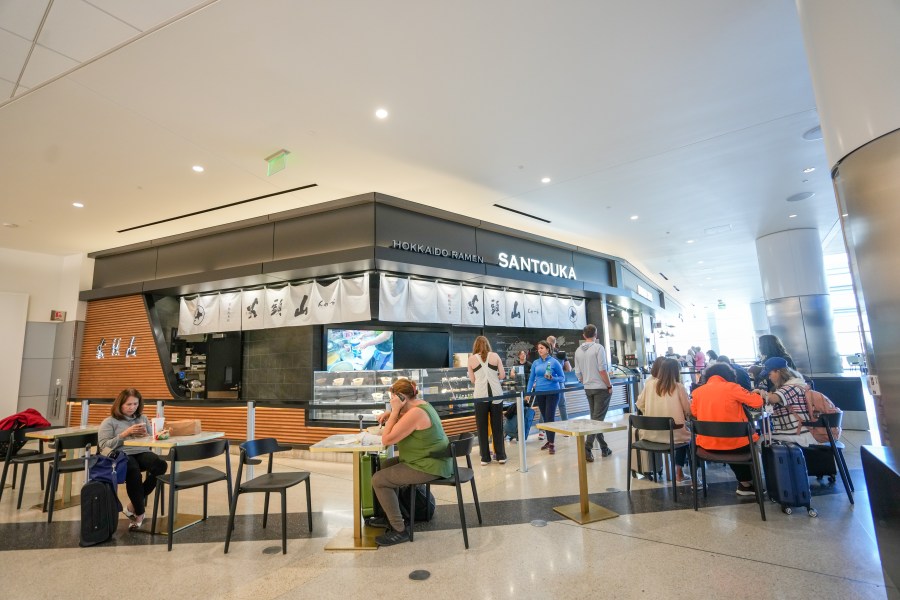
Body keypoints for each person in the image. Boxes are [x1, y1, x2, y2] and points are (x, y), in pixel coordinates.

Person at [371, 379, 452, 546]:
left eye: (393, 398)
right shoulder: (420, 405)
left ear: (401, 398)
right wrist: (395, 414)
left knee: (378, 480)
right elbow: (406, 421)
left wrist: (393, 413)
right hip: (429, 459)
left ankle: (399, 530)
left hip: (429, 465)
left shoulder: (416, 414)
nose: (392, 401)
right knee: (386, 466)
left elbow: (387, 439)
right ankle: (395, 515)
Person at [98, 388, 168, 531]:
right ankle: (140, 513)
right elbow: (103, 446)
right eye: (128, 404)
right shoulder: (109, 422)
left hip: (141, 451)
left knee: (160, 465)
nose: (132, 408)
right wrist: (124, 434)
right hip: (121, 454)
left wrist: (153, 436)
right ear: (120, 404)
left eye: (135, 404)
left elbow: (151, 440)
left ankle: (132, 506)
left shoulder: (142, 418)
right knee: (133, 471)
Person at [690, 363, 764, 496]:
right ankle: (750, 482)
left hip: (706, 446)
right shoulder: (732, 388)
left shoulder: (697, 392)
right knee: (751, 443)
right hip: (736, 445)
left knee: (731, 442)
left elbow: (694, 413)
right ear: (728, 375)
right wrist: (756, 393)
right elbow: (757, 403)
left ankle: (745, 483)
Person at [636, 358, 692, 482]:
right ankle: (680, 473)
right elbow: (688, 410)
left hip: (650, 435)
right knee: (687, 437)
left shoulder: (649, 385)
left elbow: (639, 404)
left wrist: (652, 411)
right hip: (674, 436)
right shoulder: (679, 387)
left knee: (680, 434)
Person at [754, 357, 817, 446]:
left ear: (778, 372)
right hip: (794, 432)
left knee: (761, 441)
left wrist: (759, 392)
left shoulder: (794, 386)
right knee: (764, 438)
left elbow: (774, 398)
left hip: (800, 434)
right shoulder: (790, 386)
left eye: (770, 374)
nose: (769, 377)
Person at [574, 324, 614, 462]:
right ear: (596, 334)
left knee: (595, 420)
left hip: (588, 388)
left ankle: (604, 448)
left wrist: (586, 380)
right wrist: (609, 385)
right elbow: (602, 369)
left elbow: (578, 373)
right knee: (597, 420)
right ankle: (587, 447)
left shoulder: (578, 350)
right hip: (601, 388)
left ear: (584, 335)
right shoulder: (599, 348)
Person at [467, 336, 507, 465]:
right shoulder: (495, 356)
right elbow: (502, 375)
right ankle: (500, 456)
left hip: (480, 396)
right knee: (497, 427)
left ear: (476, 346)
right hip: (496, 395)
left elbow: (472, 380)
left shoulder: (471, 359)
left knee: (482, 427)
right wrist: (493, 377)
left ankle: (485, 457)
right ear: (488, 344)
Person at [527, 340, 566, 455]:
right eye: (538, 348)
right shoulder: (535, 363)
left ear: (548, 349)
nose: (539, 350)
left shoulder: (554, 362)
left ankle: (552, 443)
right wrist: (528, 393)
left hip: (553, 392)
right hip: (539, 393)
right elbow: (531, 379)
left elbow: (562, 378)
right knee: (544, 417)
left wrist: (553, 378)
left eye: (542, 348)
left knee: (550, 417)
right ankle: (549, 440)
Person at [546, 336, 571, 421]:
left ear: (547, 342)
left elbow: (547, 370)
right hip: (560, 382)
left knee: (546, 406)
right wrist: (560, 368)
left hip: (548, 383)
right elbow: (569, 369)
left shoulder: (546, 354)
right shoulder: (561, 353)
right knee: (562, 405)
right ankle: (566, 427)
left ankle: (542, 430)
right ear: (555, 343)